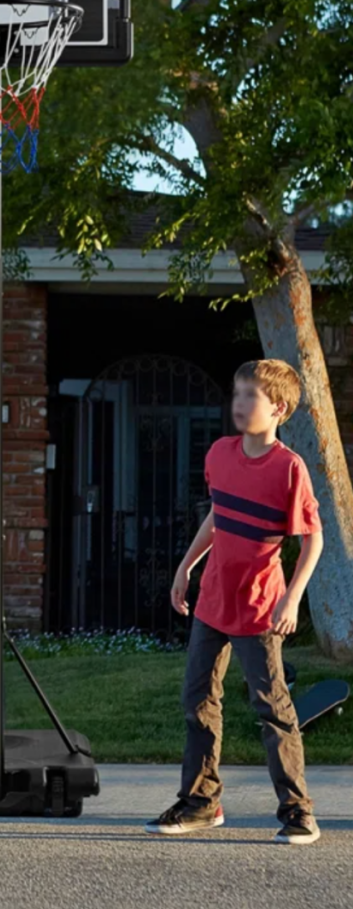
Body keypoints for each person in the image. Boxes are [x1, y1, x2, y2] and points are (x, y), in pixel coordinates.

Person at [145, 359, 323, 845]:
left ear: (279, 408)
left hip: (260, 608)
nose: (240, 405)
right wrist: (186, 566)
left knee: (272, 707)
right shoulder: (221, 454)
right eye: (237, 394)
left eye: (252, 397)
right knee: (197, 700)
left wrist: (291, 599)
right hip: (212, 603)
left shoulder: (289, 467)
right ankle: (202, 803)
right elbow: (218, 518)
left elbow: (313, 540)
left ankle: (297, 811)